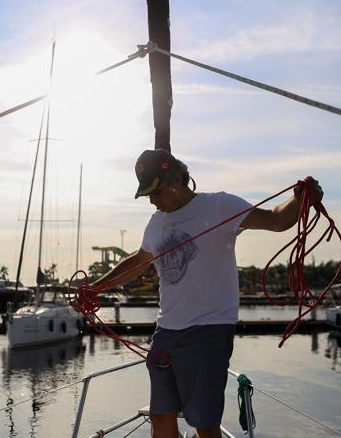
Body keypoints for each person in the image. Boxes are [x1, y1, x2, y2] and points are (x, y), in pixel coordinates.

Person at [90, 149, 322, 438]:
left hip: (208, 332)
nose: (152, 200)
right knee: (160, 417)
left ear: (175, 179)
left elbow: (276, 220)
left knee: (204, 423)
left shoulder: (219, 206)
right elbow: (139, 262)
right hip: (165, 333)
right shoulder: (155, 222)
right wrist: (96, 287)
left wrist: (300, 200)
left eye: (155, 191)